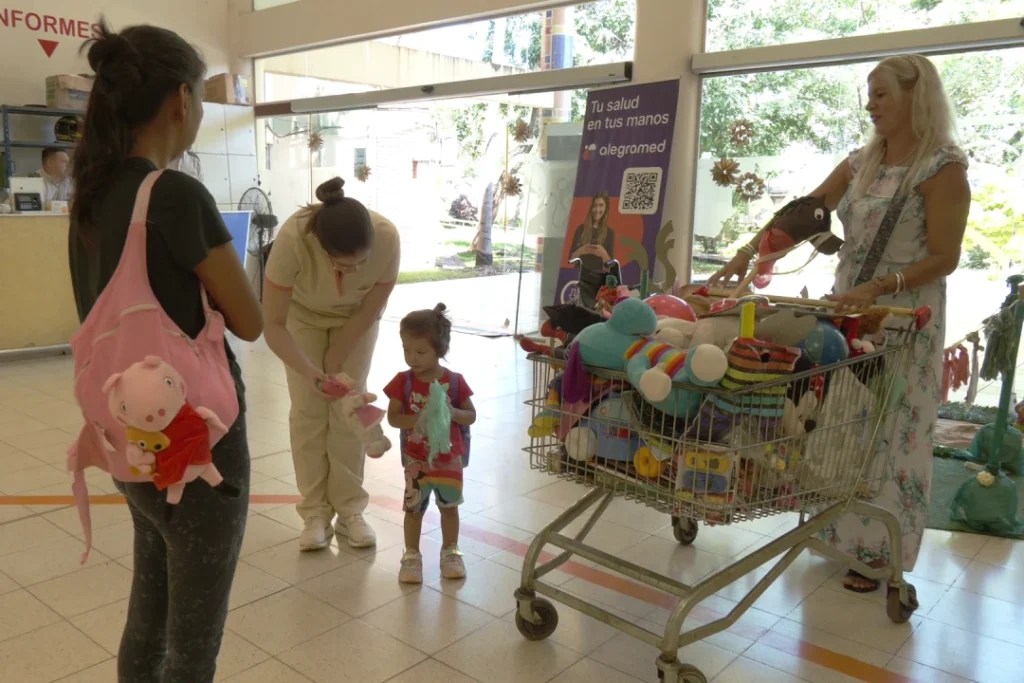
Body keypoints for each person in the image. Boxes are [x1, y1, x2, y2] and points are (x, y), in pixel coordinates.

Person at [710, 54, 971, 593]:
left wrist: (881, 287)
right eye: (868, 94)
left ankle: (879, 552)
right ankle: (834, 534)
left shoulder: (943, 167)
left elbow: (946, 255)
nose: (871, 105)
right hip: (847, 308)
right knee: (841, 422)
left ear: (915, 97)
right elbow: (803, 215)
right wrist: (743, 257)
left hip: (904, 315)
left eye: (882, 95)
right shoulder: (860, 162)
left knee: (891, 428)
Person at [68, 21, 263, 683]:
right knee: (192, 644)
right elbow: (250, 320)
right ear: (181, 100)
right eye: (202, 102)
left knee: (148, 615)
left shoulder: (89, 198)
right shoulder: (176, 195)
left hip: (126, 434)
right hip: (199, 443)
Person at [263, 176, 400, 551]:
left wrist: (335, 360)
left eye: (361, 263)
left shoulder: (387, 237)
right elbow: (272, 324)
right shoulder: (292, 241)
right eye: (342, 266)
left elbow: (372, 306)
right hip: (300, 318)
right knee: (308, 411)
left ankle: (350, 510)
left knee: (350, 411)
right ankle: (314, 514)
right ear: (322, 251)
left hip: (356, 321)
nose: (353, 272)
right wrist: (311, 372)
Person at [383, 304, 476, 584]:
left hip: (450, 461)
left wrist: (452, 413)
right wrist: (418, 418)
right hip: (416, 462)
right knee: (413, 510)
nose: (412, 357)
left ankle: (451, 552)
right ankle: (411, 556)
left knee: (449, 508)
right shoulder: (403, 382)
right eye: (406, 349)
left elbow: (470, 415)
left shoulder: (455, 382)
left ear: (441, 349)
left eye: (420, 351)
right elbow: (393, 418)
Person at [568, 190, 616, 307]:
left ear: (606, 208)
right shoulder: (581, 229)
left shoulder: (610, 233)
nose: (597, 209)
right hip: (581, 279)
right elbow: (570, 259)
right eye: (595, 205)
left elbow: (610, 266)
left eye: (601, 205)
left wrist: (603, 253)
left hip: (599, 283)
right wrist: (582, 250)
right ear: (591, 207)